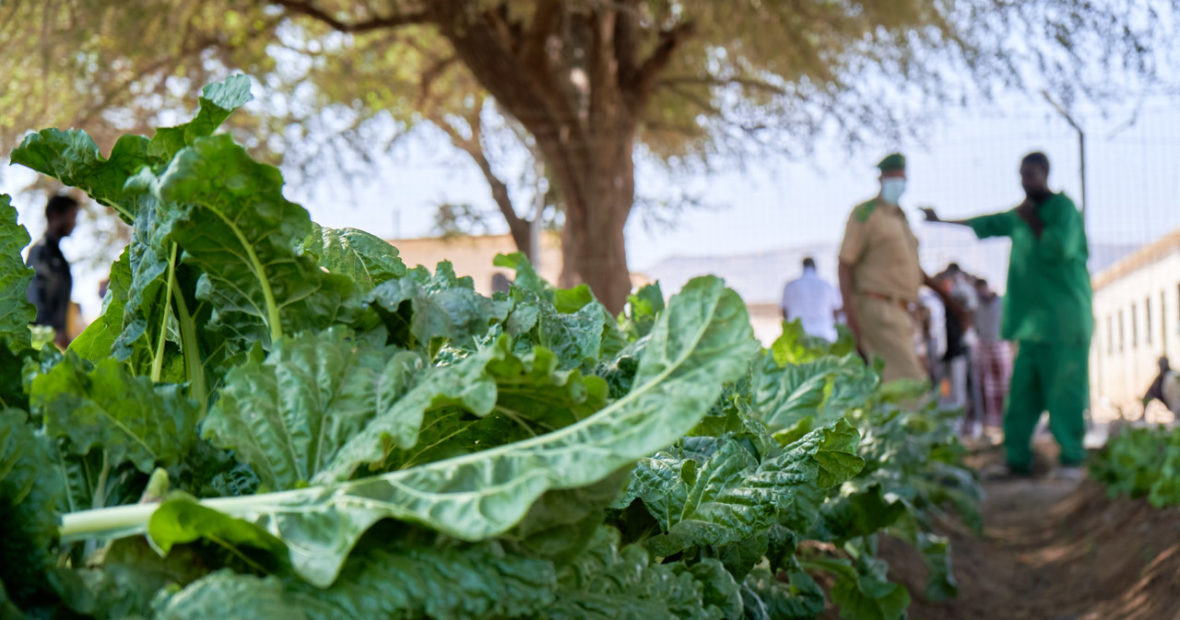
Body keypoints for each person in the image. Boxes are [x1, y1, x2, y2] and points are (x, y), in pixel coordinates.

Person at [923, 152, 1092, 479]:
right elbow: (984, 223)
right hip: (1031, 328)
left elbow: (1060, 248)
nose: (1024, 182)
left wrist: (1031, 219)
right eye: (1021, 175)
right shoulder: (1021, 215)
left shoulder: (1063, 211)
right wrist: (940, 220)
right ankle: (1017, 460)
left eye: (1030, 175)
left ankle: (1072, 459)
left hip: (1064, 325)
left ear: (1045, 173)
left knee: (1065, 394)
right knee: (1021, 399)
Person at [838, 153, 953, 383]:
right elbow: (845, 264)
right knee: (911, 386)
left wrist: (948, 299)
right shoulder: (866, 214)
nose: (898, 183)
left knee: (893, 388)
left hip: (903, 313)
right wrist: (850, 317)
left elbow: (915, 271)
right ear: (881, 179)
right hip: (878, 309)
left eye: (901, 177)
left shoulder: (901, 219)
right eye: (892, 177)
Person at [26, 195, 80, 349]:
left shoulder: (59, 257)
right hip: (41, 341)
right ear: (56, 215)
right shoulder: (41, 251)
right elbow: (34, 294)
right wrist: (51, 331)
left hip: (54, 340)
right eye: (72, 216)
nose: (75, 223)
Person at [973, 278, 1012, 433]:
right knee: (989, 387)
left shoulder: (1001, 302)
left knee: (1004, 384)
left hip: (1001, 345)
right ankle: (994, 420)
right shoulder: (978, 306)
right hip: (985, 347)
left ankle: (1007, 418)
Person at [781, 257, 840, 342]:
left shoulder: (790, 285)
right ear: (815, 267)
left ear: (803, 266)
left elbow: (784, 312)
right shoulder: (826, 285)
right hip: (824, 333)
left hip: (798, 335)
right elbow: (835, 311)